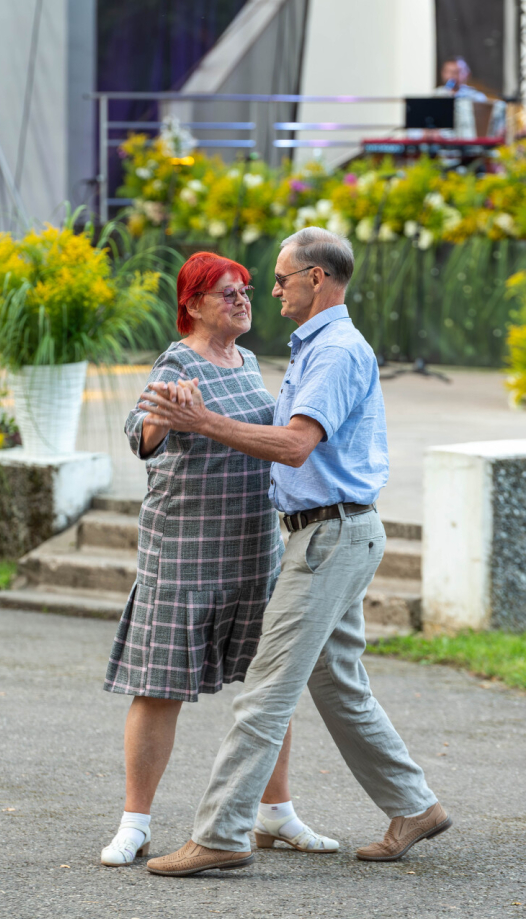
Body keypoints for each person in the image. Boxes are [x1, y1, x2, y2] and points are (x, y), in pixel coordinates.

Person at [140, 228, 451, 877]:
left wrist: (203, 422)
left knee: (266, 689)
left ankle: (222, 833)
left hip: (329, 537)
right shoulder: (313, 346)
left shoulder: (334, 351)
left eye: (280, 280)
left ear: (317, 279)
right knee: (337, 684)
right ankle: (414, 807)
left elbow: (293, 445)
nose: (271, 290)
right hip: (333, 533)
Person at [100, 251, 338, 866]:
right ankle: (134, 824)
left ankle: (275, 813)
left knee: (270, 687)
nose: (242, 300)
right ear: (193, 304)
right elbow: (140, 435)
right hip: (184, 551)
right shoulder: (178, 362)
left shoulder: (249, 361)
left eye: (246, 290)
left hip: (252, 550)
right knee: (159, 689)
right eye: (227, 293)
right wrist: (165, 417)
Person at [436, 57, 504, 139]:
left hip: (470, 143)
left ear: (467, 74)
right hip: (442, 143)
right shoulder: (436, 96)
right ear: (443, 73)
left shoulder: (476, 97)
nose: (452, 76)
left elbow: (493, 116)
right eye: (449, 72)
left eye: (457, 72)